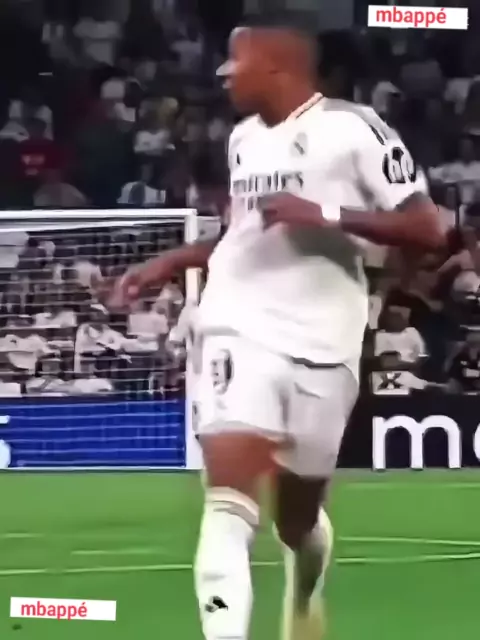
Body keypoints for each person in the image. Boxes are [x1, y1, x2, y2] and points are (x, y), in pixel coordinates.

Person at [106, 17, 445, 640]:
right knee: (228, 505)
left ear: (277, 65)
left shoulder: (355, 130)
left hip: (327, 338)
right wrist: (171, 261)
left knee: (297, 520)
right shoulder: (242, 140)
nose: (223, 74)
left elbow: (430, 229)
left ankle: (305, 591)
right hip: (238, 325)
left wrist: (326, 213)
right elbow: (243, 235)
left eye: (235, 62)